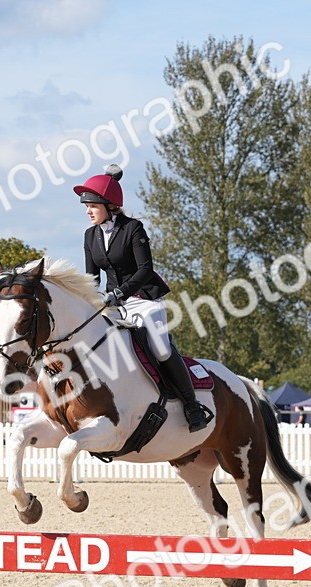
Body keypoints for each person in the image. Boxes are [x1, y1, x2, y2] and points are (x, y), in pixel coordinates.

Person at [74, 164, 213, 432]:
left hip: (143, 298)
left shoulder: (133, 228)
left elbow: (145, 270)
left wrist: (120, 292)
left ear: (109, 205)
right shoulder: (90, 235)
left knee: (160, 348)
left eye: (92, 205)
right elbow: (92, 278)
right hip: (113, 305)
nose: (88, 211)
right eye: (86, 207)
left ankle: (192, 406)